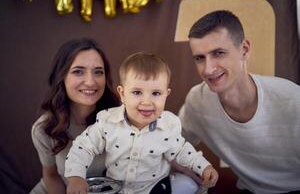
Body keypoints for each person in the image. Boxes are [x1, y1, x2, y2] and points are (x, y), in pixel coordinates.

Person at [179, 10, 300, 194]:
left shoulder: (293, 101)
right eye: (199, 58)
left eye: (218, 53)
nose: (208, 69)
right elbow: (173, 144)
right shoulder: (197, 101)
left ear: (244, 49)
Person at [64, 51, 219, 194]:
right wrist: (76, 176)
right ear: (123, 94)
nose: (146, 102)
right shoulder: (108, 121)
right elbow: (83, 147)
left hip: (155, 187)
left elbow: (182, 151)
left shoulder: (168, 126)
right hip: (115, 186)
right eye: (137, 92)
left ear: (166, 94)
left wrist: (204, 167)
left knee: (188, 186)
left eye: (156, 93)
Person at [30, 38, 120, 194]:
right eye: (78, 71)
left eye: (98, 72)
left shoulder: (120, 119)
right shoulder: (44, 128)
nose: (91, 82)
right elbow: (51, 175)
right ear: (61, 76)